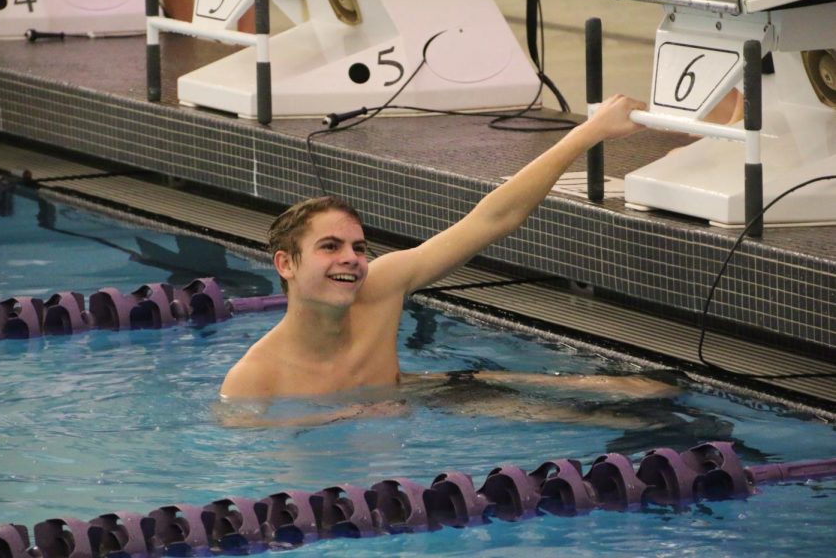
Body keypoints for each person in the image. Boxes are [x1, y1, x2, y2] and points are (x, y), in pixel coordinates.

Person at [219, 95, 674, 404]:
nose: (351, 259)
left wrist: (588, 131)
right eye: (330, 246)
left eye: (358, 246)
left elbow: (493, 218)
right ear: (286, 264)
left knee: (633, 397)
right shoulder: (255, 380)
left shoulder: (382, 285)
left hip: (416, 397)